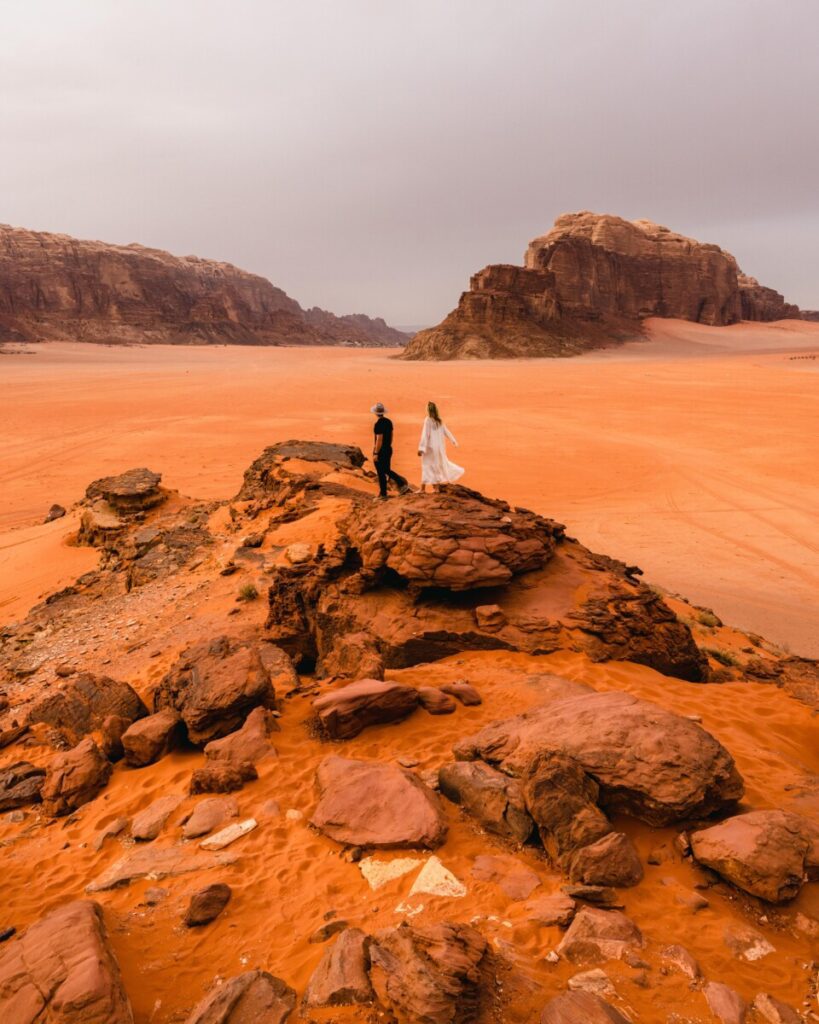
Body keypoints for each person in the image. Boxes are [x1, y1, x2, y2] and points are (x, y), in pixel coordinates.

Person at [417, 401, 463, 491]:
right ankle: (436, 489)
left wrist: (421, 448)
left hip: (430, 449)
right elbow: (447, 432)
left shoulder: (428, 420)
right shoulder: (439, 421)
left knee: (426, 466)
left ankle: (422, 489)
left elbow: (425, 435)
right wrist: (454, 441)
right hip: (439, 449)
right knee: (436, 466)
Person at [371, 402, 411, 500]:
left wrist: (376, 453)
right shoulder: (388, 421)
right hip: (388, 449)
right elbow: (391, 436)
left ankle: (384, 494)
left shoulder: (378, 424)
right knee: (386, 470)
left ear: (376, 413)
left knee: (381, 472)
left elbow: (379, 439)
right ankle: (400, 486)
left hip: (381, 451)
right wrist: (388, 445)